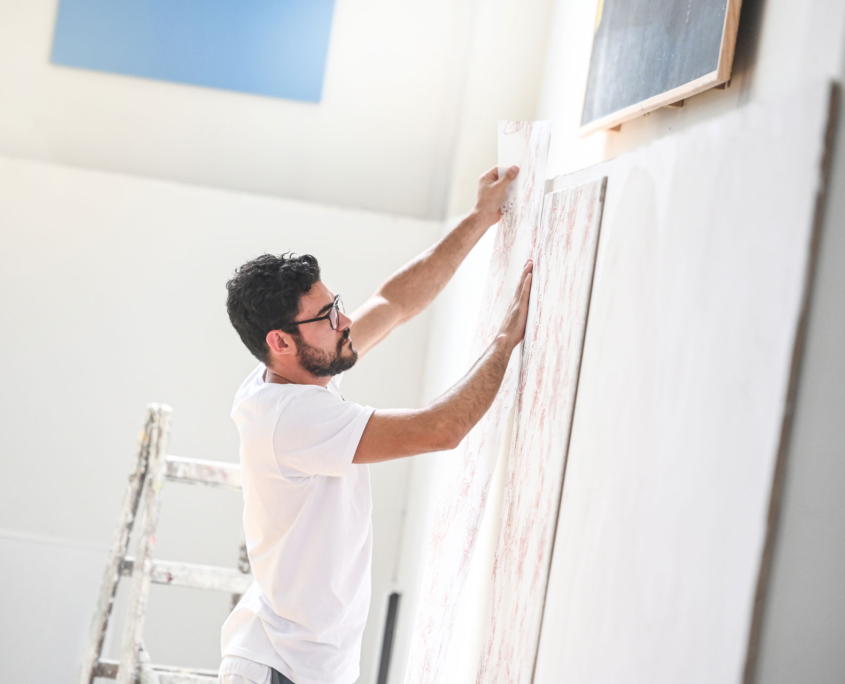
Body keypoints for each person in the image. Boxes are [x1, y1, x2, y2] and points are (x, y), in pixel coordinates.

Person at [219, 166, 532, 684]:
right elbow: (441, 429)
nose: (344, 323)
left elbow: (394, 303)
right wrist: (506, 340)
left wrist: (479, 219)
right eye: (326, 316)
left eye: (335, 305)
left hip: (298, 664)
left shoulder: (303, 370)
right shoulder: (291, 417)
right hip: (278, 670)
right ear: (281, 342)